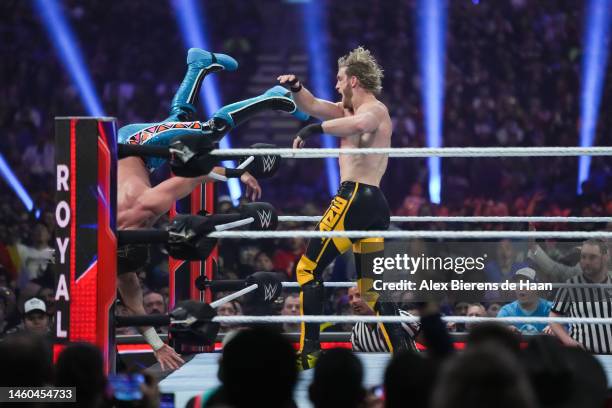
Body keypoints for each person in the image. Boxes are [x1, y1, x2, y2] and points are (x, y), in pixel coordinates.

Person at [116, 48, 307, 370]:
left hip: (132, 141)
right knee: (181, 121)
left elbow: (196, 171)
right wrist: (158, 346)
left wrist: (238, 171)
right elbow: (134, 304)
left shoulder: (148, 205)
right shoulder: (113, 243)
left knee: (208, 132)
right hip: (143, 156)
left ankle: (272, 98)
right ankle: (199, 64)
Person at [278, 46, 405, 369]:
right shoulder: (344, 110)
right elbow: (313, 105)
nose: (335, 86)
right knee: (371, 293)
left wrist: (313, 130)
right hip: (374, 206)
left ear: (353, 81)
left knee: (308, 270)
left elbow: (359, 126)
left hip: (355, 199)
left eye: (338, 80)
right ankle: (407, 357)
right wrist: (296, 87)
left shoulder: (375, 110)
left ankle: (308, 352)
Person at [549, 239, 612, 353]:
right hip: (583, 358)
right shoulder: (570, 286)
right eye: (583, 257)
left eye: (592, 257)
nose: (586, 262)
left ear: (604, 257)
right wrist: (569, 341)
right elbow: (554, 317)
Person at [348, 286, 419, 352]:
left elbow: (429, 340)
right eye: (350, 298)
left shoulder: (400, 318)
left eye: (359, 295)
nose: (354, 301)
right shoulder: (356, 329)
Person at [497, 267, 552, 334]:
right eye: (518, 283)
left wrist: (555, 329)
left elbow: (565, 329)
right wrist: (504, 331)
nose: (521, 287)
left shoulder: (550, 308)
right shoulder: (507, 311)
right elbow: (495, 333)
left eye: (526, 283)